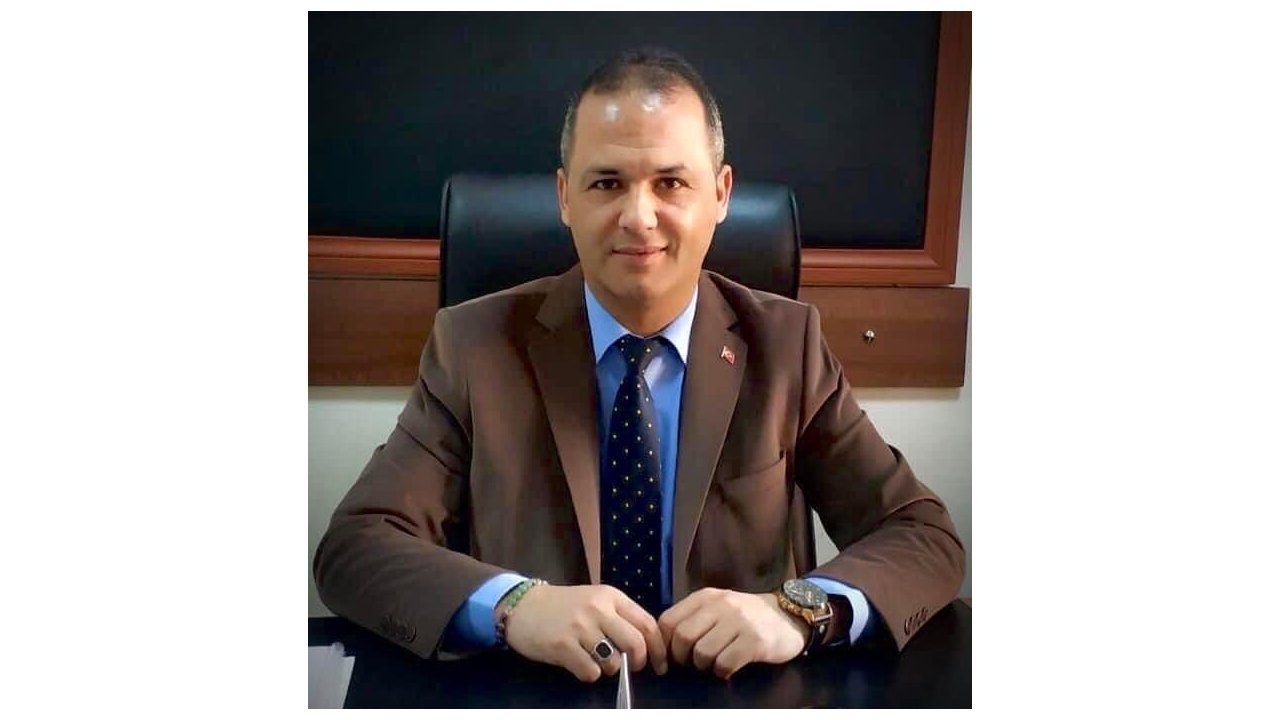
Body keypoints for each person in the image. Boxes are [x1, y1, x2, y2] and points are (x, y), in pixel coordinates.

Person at [313, 47, 965, 683]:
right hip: (539, 691)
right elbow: (356, 547)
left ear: (721, 194)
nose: (638, 216)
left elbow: (923, 535)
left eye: (671, 183)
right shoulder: (474, 345)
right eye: (607, 184)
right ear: (565, 197)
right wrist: (512, 605)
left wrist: (798, 611)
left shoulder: (786, 345)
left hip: (731, 693)